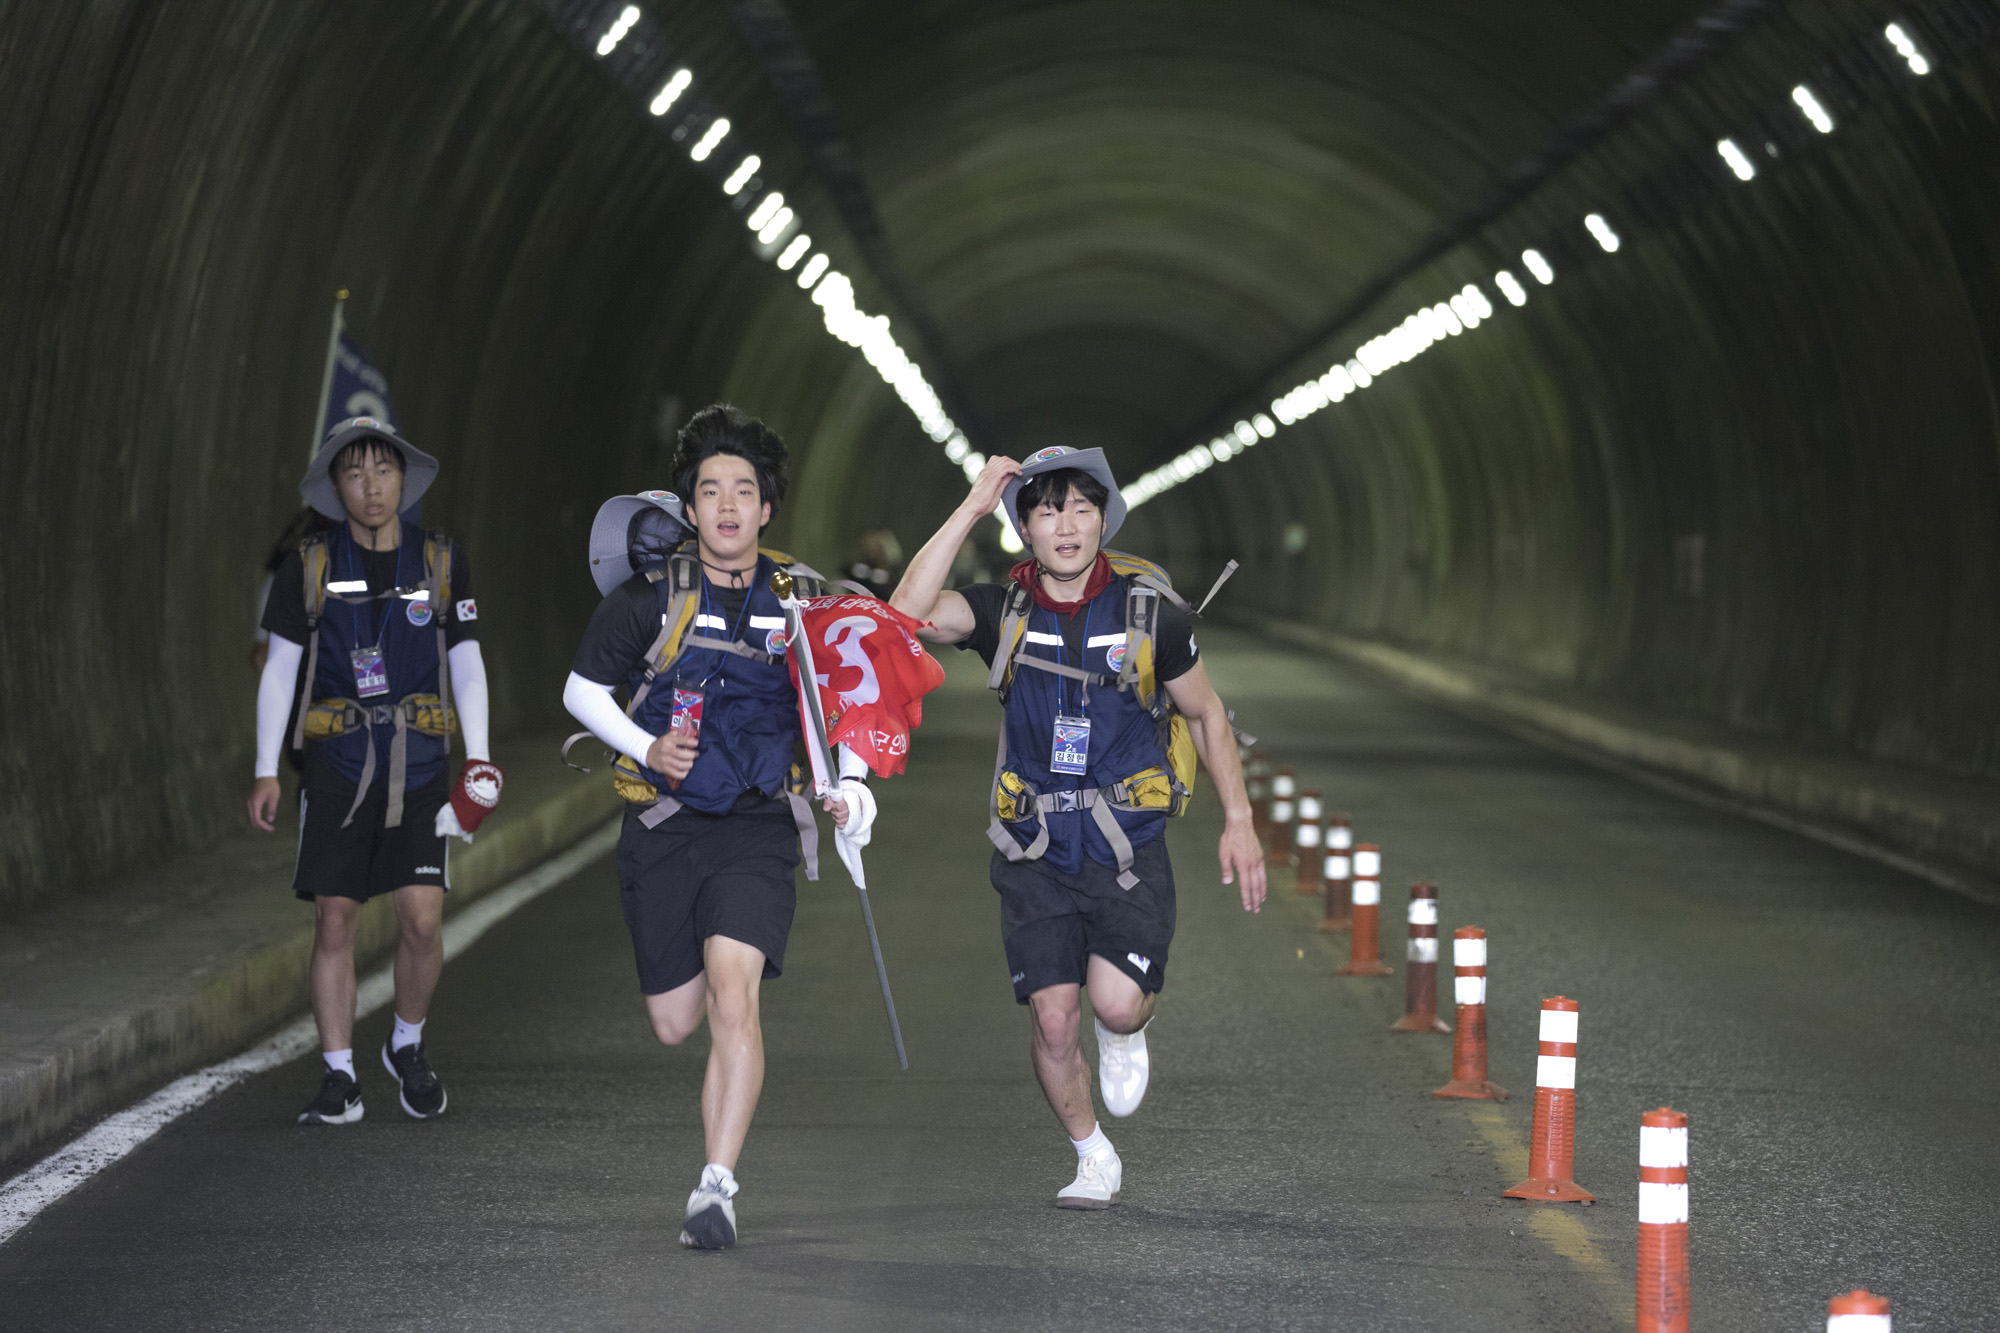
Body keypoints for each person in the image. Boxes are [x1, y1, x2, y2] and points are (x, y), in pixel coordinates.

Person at [891, 446, 1265, 1209]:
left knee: (1115, 1002)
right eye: (1047, 509)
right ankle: (1092, 1153)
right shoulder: (1003, 611)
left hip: (1126, 844)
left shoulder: (1151, 613)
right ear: (1024, 526)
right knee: (1055, 1021)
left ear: (1104, 517)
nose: (1066, 525)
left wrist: (1240, 819)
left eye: (1082, 508)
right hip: (1034, 848)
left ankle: (1123, 1032)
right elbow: (906, 614)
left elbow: (1206, 713)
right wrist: (970, 505)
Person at [561, 404, 874, 1251]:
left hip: (757, 825)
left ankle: (716, 1185)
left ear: (767, 507)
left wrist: (847, 787)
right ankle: (713, 1160)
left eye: (745, 489)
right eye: (711, 490)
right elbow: (580, 692)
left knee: (735, 991)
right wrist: (648, 745)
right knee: (676, 1019)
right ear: (688, 507)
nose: (729, 505)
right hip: (663, 825)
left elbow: (841, 707)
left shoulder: (803, 598)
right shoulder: (650, 596)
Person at [248, 417, 501, 1126]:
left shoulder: (441, 561)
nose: (370, 486)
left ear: (403, 478)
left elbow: (468, 662)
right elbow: (279, 671)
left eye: (382, 470)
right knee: (336, 919)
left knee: (421, 920)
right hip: (337, 766)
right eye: (354, 472)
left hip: (420, 765)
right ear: (336, 485)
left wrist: (478, 758)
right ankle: (338, 1073)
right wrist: (266, 767)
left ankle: (406, 1044)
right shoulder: (308, 564)